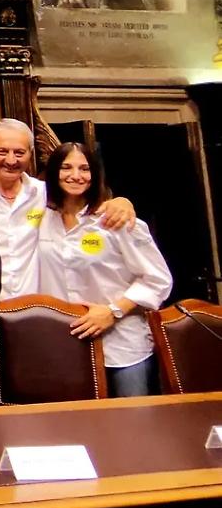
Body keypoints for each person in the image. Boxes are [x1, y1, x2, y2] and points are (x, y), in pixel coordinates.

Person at [37, 143, 172, 397]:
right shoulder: (40, 219)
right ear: (53, 172)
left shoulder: (117, 220)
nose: (75, 175)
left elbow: (158, 279)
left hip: (122, 344)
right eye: (66, 167)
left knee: (133, 424)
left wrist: (114, 311)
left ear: (95, 174)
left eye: (84, 168)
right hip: (66, 345)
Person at [0, 118, 134, 301]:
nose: (11, 160)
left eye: (20, 152)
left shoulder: (46, 193)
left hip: (35, 307)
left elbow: (84, 197)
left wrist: (122, 201)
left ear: (31, 154)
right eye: (2, 151)